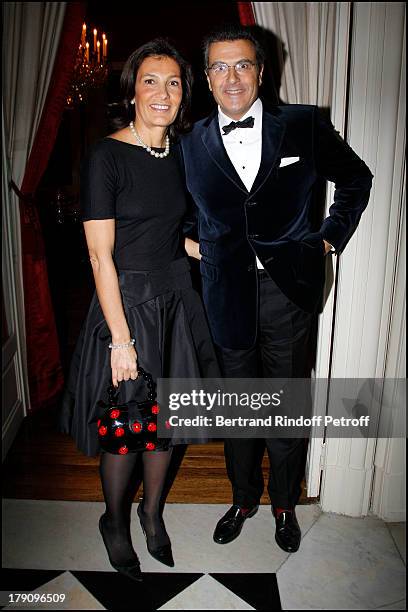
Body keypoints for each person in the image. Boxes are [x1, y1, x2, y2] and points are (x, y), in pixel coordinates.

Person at [181, 24, 373, 553]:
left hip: (288, 290)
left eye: (242, 64)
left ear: (261, 72)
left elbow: (357, 178)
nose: (232, 77)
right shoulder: (189, 141)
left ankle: (284, 504)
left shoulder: (304, 125)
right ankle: (243, 498)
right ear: (207, 77)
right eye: (219, 67)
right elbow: (183, 209)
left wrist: (329, 239)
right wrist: (190, 239)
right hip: (227, 296)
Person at [58, 38, 219, 581]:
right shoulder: (106, 156)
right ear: (132, 91)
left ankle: (152, 514)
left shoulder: (183, 152)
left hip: (177, 302)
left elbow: (172, 238)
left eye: (173, 82)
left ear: (183, 95)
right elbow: (100, 256)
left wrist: (219, 252)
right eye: (151, 80)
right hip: (128, 307)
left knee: (166, 426)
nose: (162, 92)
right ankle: (115, 521)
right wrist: (120, 341)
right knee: (128, 428)